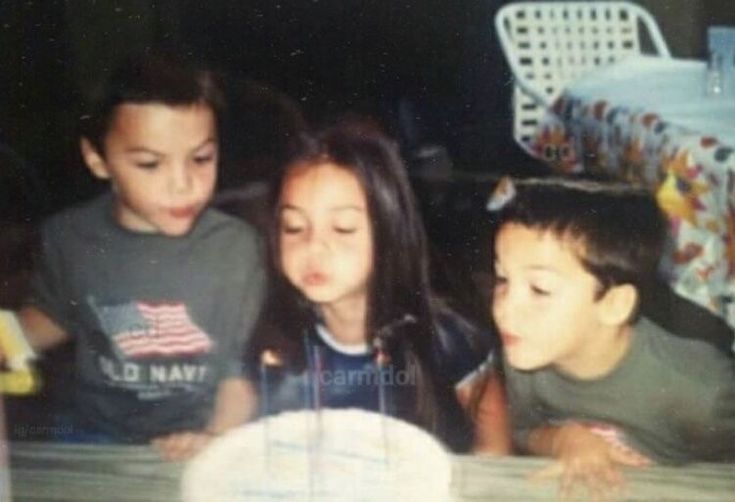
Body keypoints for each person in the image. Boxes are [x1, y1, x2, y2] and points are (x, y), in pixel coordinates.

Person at [6, 54, 265, 460]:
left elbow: (242, 375)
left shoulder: (237, 248)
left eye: (201, 158)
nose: (183, 184)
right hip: (90, 431)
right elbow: (54, 315)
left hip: (195, 433)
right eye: (150, 163)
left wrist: (215, 438)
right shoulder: (68, 237)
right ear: (97, 159)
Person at [245, 120, 510, 454]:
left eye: (342, 228)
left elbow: (494, 445)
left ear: (389, 232)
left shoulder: (448, 337)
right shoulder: (276, 340)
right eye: (294, 227)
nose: (314, 247)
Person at [490, 177, 735, 494]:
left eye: (539, 289)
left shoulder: (702, 390)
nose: (505, 309)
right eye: (501, 278)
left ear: (614, 305)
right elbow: (523, 429)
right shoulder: (525, 350)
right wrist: (563, 439)